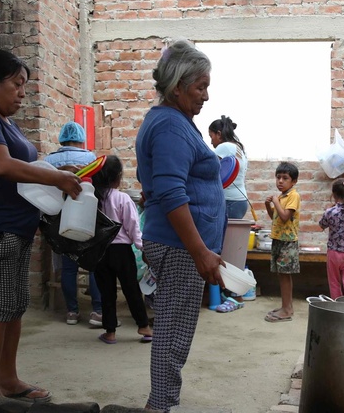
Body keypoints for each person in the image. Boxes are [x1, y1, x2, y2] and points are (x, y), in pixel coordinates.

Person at [0, 49, 82, 402]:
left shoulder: (1, 121)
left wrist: (55, 172)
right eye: (17, 84)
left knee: (12, 307)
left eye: (24, 86)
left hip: (13, 229)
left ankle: (8, 381)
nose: (22, 93)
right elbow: (1, 166)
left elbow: (21, 167)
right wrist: (55, 177)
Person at [135, 39, 225, 412]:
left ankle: (162, 402)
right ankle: (160, 406)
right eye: (200, 86)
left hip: (178, 245)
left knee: (175, 328)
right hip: (179, 247)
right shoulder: (171, 126)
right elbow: (171, 193)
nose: (206, 95)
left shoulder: (174, 122)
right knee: (173, 332)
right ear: (176, 86)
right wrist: (199, 250)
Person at [43, 121, 107, 327]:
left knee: (68, 267)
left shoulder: (49, 161)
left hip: (60, 220)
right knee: (93, 265)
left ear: (62, 138)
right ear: (81, 139)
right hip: (86, 216)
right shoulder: (90, 158)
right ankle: (97, 311)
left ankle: (72, 312)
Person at [91, 156, 153, 345]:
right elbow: (133, 227)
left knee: (107, 292)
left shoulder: (92, 198)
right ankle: (144, 327)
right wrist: (143, 247)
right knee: (131, 289)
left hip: (100, 251)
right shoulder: (123, 199)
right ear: (117, 178)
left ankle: (110, 333)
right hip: (122, 252)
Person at [263, 161, 301, 322]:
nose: (280, 181)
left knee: (285, 275)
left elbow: (285, 217)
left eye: (285, 178)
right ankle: (286, 306)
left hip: (288, 242)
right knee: (281, 274)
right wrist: (268, 205)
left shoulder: (293, 195)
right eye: (278, 177)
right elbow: (275, 218)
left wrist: (276, 203)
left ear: (293, 181)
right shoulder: (281, 196)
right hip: (278, 239)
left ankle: (287, 309)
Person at [208, 115, 249, 219]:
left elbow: (209, 169)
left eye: (211, 136)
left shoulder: (224, 147)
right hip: (240, 201)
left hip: (229, 201)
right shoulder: (239, 147)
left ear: (219, 134)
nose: (211, 142)